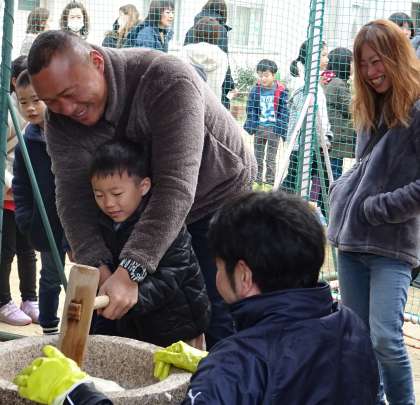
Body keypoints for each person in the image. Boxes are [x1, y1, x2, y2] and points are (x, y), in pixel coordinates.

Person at [14, 192, 379, 405]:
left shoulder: (236, 364)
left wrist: (75, 393)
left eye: (217, 267)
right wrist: (212, 364)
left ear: (244, 276)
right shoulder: (349, 325)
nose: (214, 276)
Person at [27, 30, 255, 349]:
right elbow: (72, 197)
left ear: (96, 62)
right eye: (51, 101)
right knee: (130, 307)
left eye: (69, 93)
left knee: (215, 307)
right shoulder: (60, 118)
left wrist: (130, 270)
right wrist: (100, 268)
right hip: (138, 204)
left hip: (215, 196)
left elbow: (175, 187)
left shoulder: (166, 80)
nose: (65, 108)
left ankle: (223, 373)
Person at [328, 19, 420, 404]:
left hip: (392, 244)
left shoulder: (417, 109)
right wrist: (343, 193)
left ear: (396, 56)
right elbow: (365, 169)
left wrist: (379, 208)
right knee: (358, 339)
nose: (370, 71)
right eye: (363, 64)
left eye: (377, 61)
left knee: (385, 338)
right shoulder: (369, 104)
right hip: (351, 242)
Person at [89, 139, 210, 347]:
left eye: (117, 194)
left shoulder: (164, 223)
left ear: (144, 186)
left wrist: (132, 297)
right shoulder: (103, 223)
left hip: (180, 328)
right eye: (99, 195)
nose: (108, 203)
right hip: (137, 329)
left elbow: (171, 275)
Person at [12, 70, 66, 335]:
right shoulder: (26, 143)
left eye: (36, 100)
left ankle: (91, 328)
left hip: (78, 221)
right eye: (23, 102)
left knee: (89, 275)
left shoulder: (70, 134)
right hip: (47, 223)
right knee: (51, 277)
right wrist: (26, 219)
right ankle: (49, 326)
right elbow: (20, 186)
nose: (30, 108)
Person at [0, 57, 38, 327]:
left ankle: (30, 299)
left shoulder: (40, 107)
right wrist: (11, 182)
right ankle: (3, 301)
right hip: (8, 193)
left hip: (26, 193)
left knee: (28, 249)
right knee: (6, 250)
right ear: (15, 81)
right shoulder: (8, 108)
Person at [282, 40, 333, 215]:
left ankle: (328, 215)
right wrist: (324, 138)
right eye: (323, 55)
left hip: (310, 143)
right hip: (307, 144)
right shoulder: (305, 86)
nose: (327, 59)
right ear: (312, 57)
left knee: (299, 181)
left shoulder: (309, 83)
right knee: (295, 182)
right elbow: (316, 118)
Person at [244, 59, 289, 188]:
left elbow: (284, 111)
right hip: (259, 128)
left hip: (274, 130)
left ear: (273, 75)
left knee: (270, 159)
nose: (263, 78)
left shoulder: (281, 90)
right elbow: (250, 108)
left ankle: (269, 183)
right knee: (257, 157)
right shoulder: (255, 90)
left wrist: (281, 127)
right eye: (260, 75)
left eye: (266, 75)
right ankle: (256, 181)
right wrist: (253, 124)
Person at [184, 0, 235, 109]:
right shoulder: (220, 30)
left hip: (191, 89)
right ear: (223, 11)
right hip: (213, 88)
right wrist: (229, 86)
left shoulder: (190, 31)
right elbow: (223, 62)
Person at [323, 47, 356, 180]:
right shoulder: (338, 84)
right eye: (352, 62)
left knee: (328, 173)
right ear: (344, 63)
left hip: (333, 136)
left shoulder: (330, 81)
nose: (354, 65)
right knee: (334, 175)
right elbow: (352, 109)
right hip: (337, 138)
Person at [180, 17, 227, 100]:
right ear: (216, 34)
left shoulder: (185, 50)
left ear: (197, 32)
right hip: (213, 101)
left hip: (189, 99)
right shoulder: (222, 55)